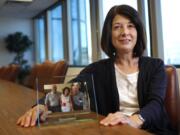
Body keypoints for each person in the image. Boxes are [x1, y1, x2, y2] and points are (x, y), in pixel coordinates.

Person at [16, 4, 176, 134]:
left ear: (138, 32)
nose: (125, 32)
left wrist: (134, 120)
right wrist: (40, 106)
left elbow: (156, 103)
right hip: (115, 130)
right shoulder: (96, 70)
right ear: (109, 34)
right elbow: (68, 91)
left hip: (153, 130)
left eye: (130, 26)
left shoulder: (155, 66)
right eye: (117, 27)